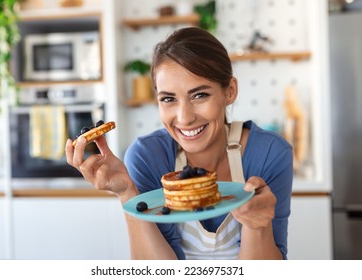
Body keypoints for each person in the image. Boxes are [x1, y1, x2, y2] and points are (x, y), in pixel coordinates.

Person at [66, 27, 293, 260]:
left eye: (199, 95)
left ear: (230, 91)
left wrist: (258, 227)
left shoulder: (269, 153)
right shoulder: (147, 156)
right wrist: (127, 194)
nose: (184, 118)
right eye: (168, 99)